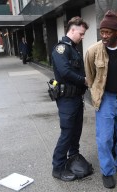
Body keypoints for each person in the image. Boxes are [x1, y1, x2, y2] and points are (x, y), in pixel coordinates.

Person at [85, 10, 117, 189]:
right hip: (105, 99)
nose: (104, 36)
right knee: (105, 138)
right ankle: (107, 171)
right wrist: (96, 94)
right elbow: (90, 76)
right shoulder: (93, 51)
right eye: (102, 32)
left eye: (108, 32)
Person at [51, 16, 89, 182]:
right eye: (81, 33)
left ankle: (73, 156)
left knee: (76, 131)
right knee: (67, 133)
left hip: (76, 98)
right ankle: (57, 168)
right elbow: (65, 72)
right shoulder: (61, 49)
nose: (82, 37)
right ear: (72, 30)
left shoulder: (73, 49)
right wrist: (84, 80)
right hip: (66, 99)